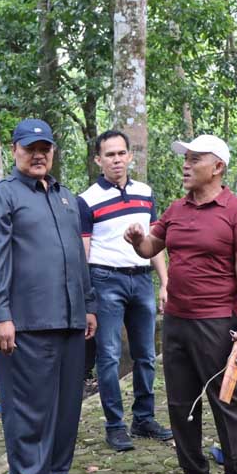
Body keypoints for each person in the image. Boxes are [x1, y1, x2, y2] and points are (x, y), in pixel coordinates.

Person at [125, 134, 237, 474]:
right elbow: (151, 248)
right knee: (180, 401)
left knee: (225, 400)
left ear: (217, 166)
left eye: (194, 159)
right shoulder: (177, 209)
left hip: (217, 321)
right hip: (176, 320)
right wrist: (137, 240)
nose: (186, 165)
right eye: (185, 159)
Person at [0, 119, 98, 474]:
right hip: (26, 322)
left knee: (66, 405)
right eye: (30, 148)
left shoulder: (66, 198)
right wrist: (0, 314)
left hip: (70, 318)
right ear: (15, 150)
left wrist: (89, 305)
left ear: (53, 151)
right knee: (29, 409)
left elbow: (77, 257)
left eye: (44, 148)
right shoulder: (1, 196)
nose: (38, 155)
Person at [78, 130, 172, 452]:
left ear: (130, 156)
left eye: (121, 153)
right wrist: (87, 298)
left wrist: (165, 282)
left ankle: (144, 418)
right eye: (110, 154)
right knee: (109, 355)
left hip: (142, 278)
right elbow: (83, 252)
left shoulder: (145, 193)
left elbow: (154, 242)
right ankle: (115, 425)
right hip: (105, 280)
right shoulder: (87, 199)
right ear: (98, 159)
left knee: (146, 354)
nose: (116, 160)